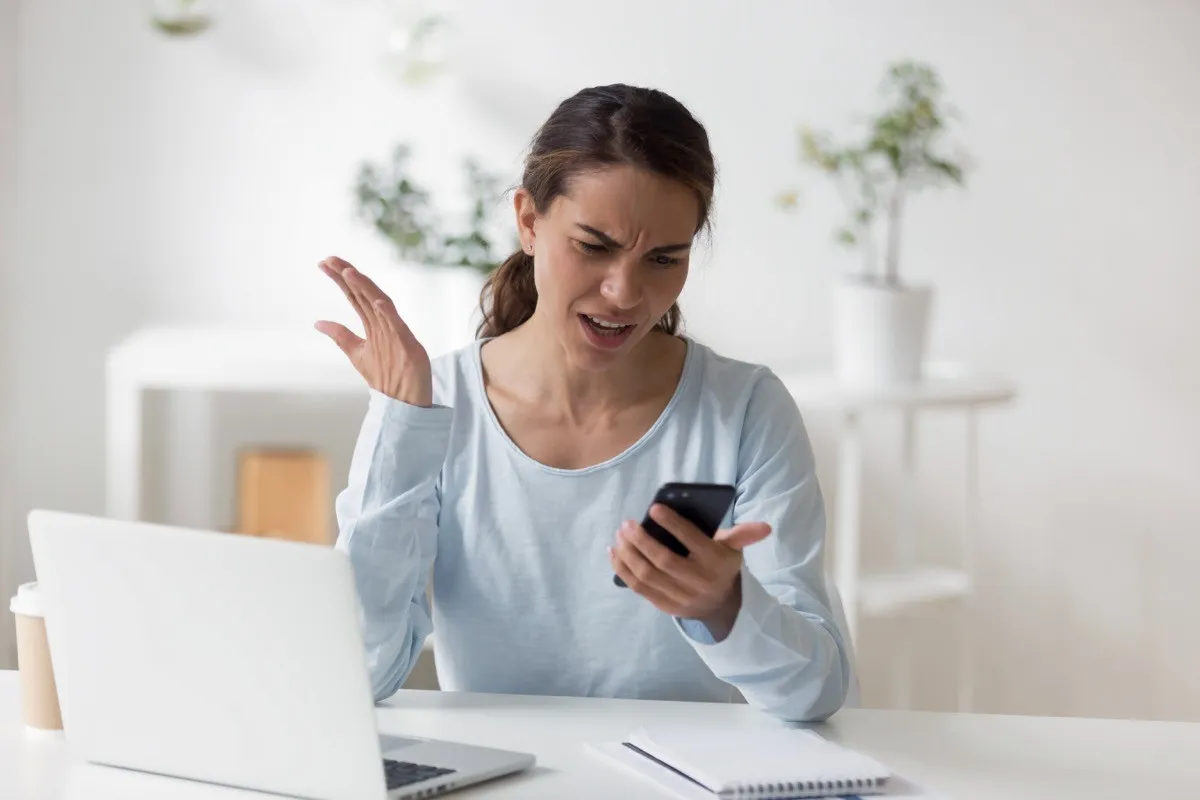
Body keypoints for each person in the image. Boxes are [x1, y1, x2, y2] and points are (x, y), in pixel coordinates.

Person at [316, 84, 851, 723]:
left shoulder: (744, 408)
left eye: (663, 258)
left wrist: (725, 608)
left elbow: (816, 691)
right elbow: (359, 673)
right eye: (593, 246)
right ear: (528, 221)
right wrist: (400, 423)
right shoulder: (440, 404)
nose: (624, 292)